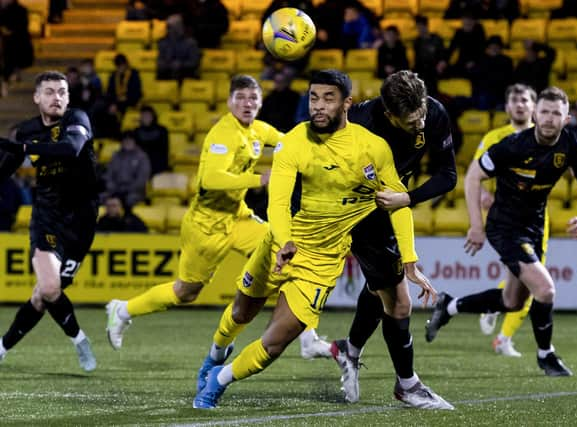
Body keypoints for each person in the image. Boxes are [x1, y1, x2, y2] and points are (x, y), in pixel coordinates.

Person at [192, 69, 443, 410]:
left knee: (275, 343)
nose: (319, 106)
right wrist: (283, 242)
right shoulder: (294, 142)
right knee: (241, 311)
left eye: (328, 98)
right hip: (282, 244)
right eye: (313, 98)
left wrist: (410, 261)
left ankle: (218, 379)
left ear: (347, 104)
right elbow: (278, 202)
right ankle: (215, 354)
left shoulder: (374, 148)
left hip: (321, 261)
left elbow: (396, 203)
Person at [104, 75, 330, 361]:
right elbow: (210, 179)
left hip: (239, 219)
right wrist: (259, 178)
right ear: (229, 102)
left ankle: (308, 338)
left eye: (253, 98)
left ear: (260, 103)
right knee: (186, 292)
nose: (247, 103)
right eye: (240, 98)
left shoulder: (259, 130)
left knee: (289, 256)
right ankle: (122, 310)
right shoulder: (223, 134)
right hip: (206, 226)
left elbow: (290, 142)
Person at [426, 87, 577, 377]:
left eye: (556, 113)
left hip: (534, 226)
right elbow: (473, 177)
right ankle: (546, 355)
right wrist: (476, 225)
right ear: (535, 114)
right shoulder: (513, 145)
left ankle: (449, 306)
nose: (548, 118)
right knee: (545, 289)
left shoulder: (570, 146)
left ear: (566, 118)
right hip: (505, 226)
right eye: (544, 112)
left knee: (513, 302)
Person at [330, 70, 456, 407]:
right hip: (358, 213)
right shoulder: (358, 126)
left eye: (422, 116)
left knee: (380, 287)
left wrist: (407, 198)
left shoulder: (434, 113)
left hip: (391, 206)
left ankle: (348, 349)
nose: (420, 125)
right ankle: (407, 386)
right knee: (400, 301)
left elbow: (448, 175)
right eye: (411, 121)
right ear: (389, 115)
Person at [0, 71, 100, 371]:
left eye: (61, 92)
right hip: (46, 217)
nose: (56, 97)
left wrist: (25, 148)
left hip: (81, 221)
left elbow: (70, 149)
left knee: (42, 296)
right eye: (49, 92)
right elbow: (4, 171)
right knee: (49, 287)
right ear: (36, 97)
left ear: (68, 97)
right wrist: (17, 148)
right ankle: (79, 339)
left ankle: (3, 344)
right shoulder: (27, 131)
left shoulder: (77, 119)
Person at [470, 84, 538, 357]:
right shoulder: (495, 137)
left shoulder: (545, 136)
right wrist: (484, 193)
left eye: (524, 100)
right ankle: (505, 338)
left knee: (527, 280)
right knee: (532, 280)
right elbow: (475, 174)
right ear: (507, 107)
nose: (519, 105)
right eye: (514, 100)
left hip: (538, 219)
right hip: (508, 220)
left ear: (533, 106)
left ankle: (495, 310)